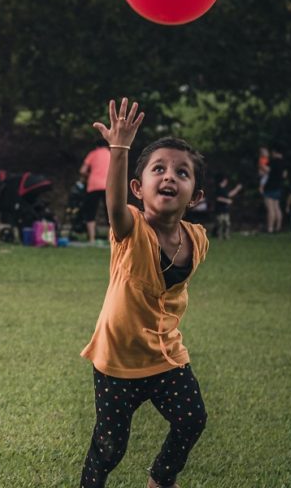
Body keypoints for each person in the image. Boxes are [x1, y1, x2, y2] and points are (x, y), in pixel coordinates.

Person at [80, 98, 209, 488]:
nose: (169, 177)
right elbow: (113, 203)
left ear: (195, 195)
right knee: (110, 446)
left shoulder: (198, 239)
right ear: (139, 187)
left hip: (165, 356)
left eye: (182, 173)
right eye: (159, 169)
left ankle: (160, 479)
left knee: (192, 420)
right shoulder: (130, 229)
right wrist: (119, 148)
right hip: (117, 361)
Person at [79, 139, 111, 243]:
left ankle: (92, 239)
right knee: (109, 213)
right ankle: (110, 239)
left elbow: (82, 170)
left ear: (97, 146)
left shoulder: (93, 153)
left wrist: (89, 175)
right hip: (108, 185)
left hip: (93, 185)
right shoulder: (111, 154)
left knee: (91, 212)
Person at [262, 148, 287, 233]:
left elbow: (265, 170)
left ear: (274, 152)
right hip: (279, 187)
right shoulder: (284, 163)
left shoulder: (273, 162)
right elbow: (284, 175)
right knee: (277, 207)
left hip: (270, 187)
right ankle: (278, 227)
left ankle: (270, 228)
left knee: (270, 209)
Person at [212, 174, 243, 240]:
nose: (227, 182)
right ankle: (219, 236)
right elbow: (218, 198)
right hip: (219, 210)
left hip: (225, 210)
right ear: (223, 181)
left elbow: (229, 195)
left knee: (227, 223)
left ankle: (226, 235)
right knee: (220, 224)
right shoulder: (218, 188)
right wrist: (227, 201)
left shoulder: (224, 189)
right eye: (225, 180)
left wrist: (237, 189)